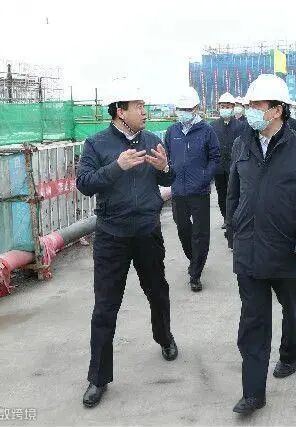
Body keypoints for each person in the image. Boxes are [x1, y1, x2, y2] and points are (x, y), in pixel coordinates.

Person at [76, 81, 178, 408]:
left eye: (144, 106)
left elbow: (168, 179)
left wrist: (165, 169)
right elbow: (85, 184)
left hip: (147, 232)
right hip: (112, 236)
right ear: (120, 111)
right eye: (138, 106)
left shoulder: (152, 140)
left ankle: (164, 337)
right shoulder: (96, 144)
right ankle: (98, 377)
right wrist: (116, 167)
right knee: (105, 307)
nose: (144, 112)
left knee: (158, 292)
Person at [226, 74, 296, 415]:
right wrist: (233, 231)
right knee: (253, 322)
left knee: (292, 306)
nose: (250, 111)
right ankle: (253, 393)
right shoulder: (242, 144)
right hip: (249, 248)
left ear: (277, 110)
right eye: (249, 105)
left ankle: (291, 353)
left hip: (287, 248)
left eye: (257, 105)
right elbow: (233, 193)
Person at [164, 86, 220, 292]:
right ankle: (194, 259)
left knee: (200, 233)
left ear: (196, 108)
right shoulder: (172, 131)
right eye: (181, 109)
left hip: (200, 191)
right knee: (183, 229)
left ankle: (195, 273)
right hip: (178, 191)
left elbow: (215, 158)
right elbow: (167, 158)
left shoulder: (207, 131)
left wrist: (205, 177)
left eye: (188, 109)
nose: (184, 112)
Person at [211, 92, 243, 229]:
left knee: (235, 193)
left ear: (233, 108)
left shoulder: (240, 126)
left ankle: (235, 217)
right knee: (221, 193)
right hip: (219, 167)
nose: (225, 109)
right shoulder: (212, 126)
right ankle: (226, 218)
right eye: (222, 106)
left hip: (234, 167)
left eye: (228, 107)